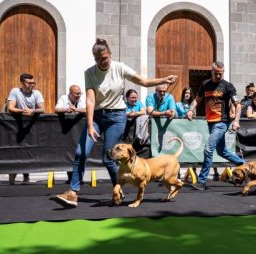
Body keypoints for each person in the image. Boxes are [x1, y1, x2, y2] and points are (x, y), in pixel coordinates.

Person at [56, 38, 177, 206]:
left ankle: (117, 189)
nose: (102, 62)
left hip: (117, 117)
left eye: (104, 58)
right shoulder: (89, 73)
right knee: (80, 153)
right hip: (97, 116)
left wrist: (164, 80)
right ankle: (72, 192)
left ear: (110, 55)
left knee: (109, 158)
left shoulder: (119, 68)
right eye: (98, 59)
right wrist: (90, 125)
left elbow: (143, 81)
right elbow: (90, 101)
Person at [186, 61, 245, 190]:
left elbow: (238, 105)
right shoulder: (205, 84)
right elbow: (197, 99)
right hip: (210, 123)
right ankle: (244, 165)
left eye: (221, 73)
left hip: (222, 123)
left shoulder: (228, 86)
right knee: (222, 151)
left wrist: (236, 121)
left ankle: (201, 181)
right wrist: (191, 110)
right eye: (216, 73)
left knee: (208, 148)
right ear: (211, 72)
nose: (219, 76)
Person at [7, 73, 45, 185]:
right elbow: (10, 108)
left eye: (33, 83)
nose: (32, 85)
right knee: (14, 151)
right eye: (29, 83)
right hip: (15, 126)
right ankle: (12, 175)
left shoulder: (37, 93)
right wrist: (24, 111)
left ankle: (26, 176)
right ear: (22, 83)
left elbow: (42, 109)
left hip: (31, 127)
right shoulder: (15, 91)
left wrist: (32, 111)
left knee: (28, 150)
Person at [55, 84, 86, 184]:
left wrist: (76, 110)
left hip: (79, 130)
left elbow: (87, 109)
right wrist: (66, 109)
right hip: (66, 131)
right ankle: (70, 177)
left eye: (79, 93)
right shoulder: (63, 98)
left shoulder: (82, 99)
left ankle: (79, 177)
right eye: (76, 93)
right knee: (67, 153)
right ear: (70, 93)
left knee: (79, 153)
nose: (78, 95)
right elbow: (57, 109)